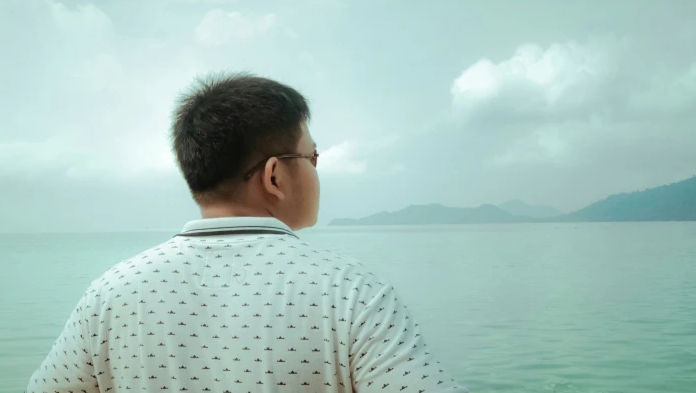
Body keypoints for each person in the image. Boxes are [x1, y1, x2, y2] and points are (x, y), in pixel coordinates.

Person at [26, 73, 468, 392]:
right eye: (312, 157)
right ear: (274, 175)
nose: (317, 172)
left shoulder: (112, 292)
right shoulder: (349, 292)